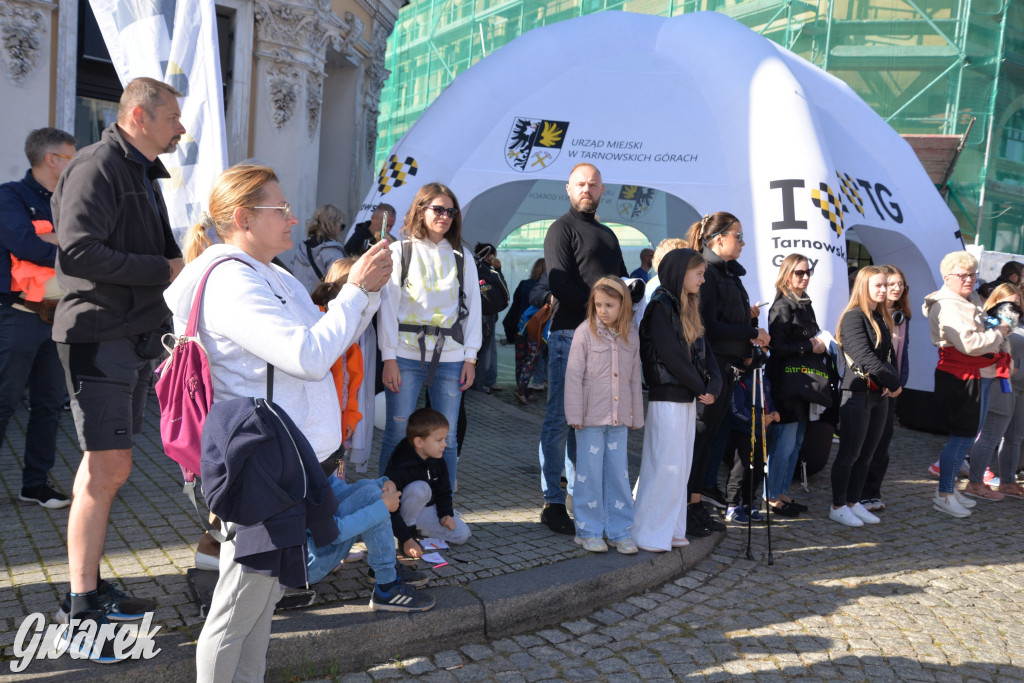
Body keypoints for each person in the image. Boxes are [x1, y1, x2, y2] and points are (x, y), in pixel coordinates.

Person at [167, 164, 429, 682]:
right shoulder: (231, 282)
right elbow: (307, 356)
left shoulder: (273, 273)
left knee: (260, 605)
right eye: (280, 209)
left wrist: (367, 292)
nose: (291, 218)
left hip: (287, 464)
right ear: (243, 218)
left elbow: (330, 340)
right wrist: (354, 291)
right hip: (263, 467)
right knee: (237, 608)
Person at [50, 78, 186, 657]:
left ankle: (89, 589)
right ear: (139, 116)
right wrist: (163, 269)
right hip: (99, 336)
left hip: (130, 338)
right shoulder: (97, 165)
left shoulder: (141, 171)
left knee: (108, 470)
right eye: (172, 117)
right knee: (106, 470)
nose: (181, 128)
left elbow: (163, 254)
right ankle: (81, 610)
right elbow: (78, 251)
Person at [539, 163, 627, 535]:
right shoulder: (561, 229)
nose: (586, 189)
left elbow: (621, 282)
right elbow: (559, 283)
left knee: (589, 423)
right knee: (560, 419)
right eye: (580, 184)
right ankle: (552, 501)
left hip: (605, 341)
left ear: (602, 189)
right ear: (568, 189)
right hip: (569, 336)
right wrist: (602, 311)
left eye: (593, 184)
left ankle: (583, 498)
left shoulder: (608, 234)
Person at [377, 182, 482, 492]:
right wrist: (388, 356)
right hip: (404, 354)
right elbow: (387, 308)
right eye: (438, 209)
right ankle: (387, 503)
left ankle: (442, 506)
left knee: (445, 440)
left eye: (451, 211)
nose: (445, 216)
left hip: (451, 357)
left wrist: (471, 357)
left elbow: (473, 309)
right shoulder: (400, 251)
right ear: (420, 210)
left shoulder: (462, 256)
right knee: (398, 433)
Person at [0, 127, 76, 509]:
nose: (77, 165)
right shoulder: (10, 196)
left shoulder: (71, 200)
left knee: (48, 406)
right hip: (19, 317)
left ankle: (34, 485)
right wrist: (65, 247)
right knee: (4, 401)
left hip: (58, 318)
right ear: (51, 160)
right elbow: (23, 244)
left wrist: (53, 241)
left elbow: (92, 244)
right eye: (72, 158)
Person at [683, 212, 770, 538]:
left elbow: (728, 319)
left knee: (708, 442)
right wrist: (752, 332)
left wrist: (749, 332)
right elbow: (710, 326)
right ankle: (686, 508)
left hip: (729, 369)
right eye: (738, 236)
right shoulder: (707, 273)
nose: (743, 242)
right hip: (712, 368)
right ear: (718, 239)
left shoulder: (729, 273)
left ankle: (696, 504)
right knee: (699, 440)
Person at [634, 249, 721, 551]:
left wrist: (714, 384)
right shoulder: (659, 306)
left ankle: (670, 528)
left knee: (680, 468)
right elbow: (670, 355)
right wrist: (701, 386)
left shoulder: (689, 304)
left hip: (685, 397)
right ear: (681, 272)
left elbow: (705, 351)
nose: (703, 279)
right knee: (664, 467)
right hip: (668, 397)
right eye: (699, 273)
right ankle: (648, 532)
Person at [924, 251, 1010, 518]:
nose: (969, 279)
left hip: (978, 374)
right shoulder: (949, 305)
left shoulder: (968, 299)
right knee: (961, 438)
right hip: (962, 377)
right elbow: (970, 344)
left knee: (968, 437)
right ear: (947, 277)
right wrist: (1000, 332)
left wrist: (995, 332)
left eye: (972, 274)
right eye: (962, 275)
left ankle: (949, 489)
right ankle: (944, 494)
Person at [563, 276, 643, 554]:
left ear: (623, 305)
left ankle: (620, 531)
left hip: (619, 419)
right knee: (589, 475)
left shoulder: (631, 334)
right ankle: (588, 530)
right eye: (598, 305)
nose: (603, 310)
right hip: (589, 419)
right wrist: (574, 414)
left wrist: (636, 415)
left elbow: (634, 378)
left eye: (610, 305)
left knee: (618, 475)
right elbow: (573, 376)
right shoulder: (584, 332)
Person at [829, 266, 902, 527]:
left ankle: (853, 501)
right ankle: (838, 505)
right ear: (864, 287)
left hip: (878, 394)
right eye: (878, 285)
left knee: (867, 454)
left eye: (885, 285)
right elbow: (864, 357)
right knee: (850, 453)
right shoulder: (854, 316)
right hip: (857, 392)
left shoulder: (879, 316)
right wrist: (893, 382)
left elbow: (888, 356)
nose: (884, 290)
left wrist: (891, 382)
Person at [763, 254, 824, 518]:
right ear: (787, 275)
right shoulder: (782, 306)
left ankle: (781, 492)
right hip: (785, 384)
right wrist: (809, 346)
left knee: (796, 443)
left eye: (808, 272)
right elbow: (776, 348)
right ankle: (771, 496)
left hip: (802, 382)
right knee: (783, 444)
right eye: (799, 272)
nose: (805, 276)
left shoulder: (805, 303)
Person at [963, 283, 1023, 501]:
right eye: (1008, 302)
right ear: (996, 301)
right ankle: (975, 482)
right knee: (991, 435)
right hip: (1001, 385)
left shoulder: (1016, 324)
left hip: (1019, 388)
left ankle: (1007, 482)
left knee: (1014, 437)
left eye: (1017, 302)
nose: (1013, 307)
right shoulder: (990, 323)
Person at [385, 407, 471, 559]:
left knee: (462, 534)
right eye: (439, 440)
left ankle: (418, 529)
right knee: (420, 488)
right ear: (419, 442)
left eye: (445, 439)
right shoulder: (400, 463)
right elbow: (391, 509)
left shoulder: (438, 459)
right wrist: (407, 539)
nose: (445, 444)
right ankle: (406, 532)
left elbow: (444, 492)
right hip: (401, 512)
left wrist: (446, 514)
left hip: (425, 510)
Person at [860, 265, 912, 511]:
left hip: (892, 389)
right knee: (866, 443)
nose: (896, 288)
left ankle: (873, 491)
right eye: (891, 284)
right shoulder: (870, 316)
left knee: (883, 444)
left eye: (901, 284)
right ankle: (857, 493)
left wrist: (898, 384)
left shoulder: (902, 318)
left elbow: (903, 356)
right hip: (872, 386)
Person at [722, 368, 777, 524]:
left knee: (757, 470)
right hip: (743, 432)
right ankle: (732, 505)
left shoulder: (765, 380)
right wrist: (758, 419)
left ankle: (748, 502)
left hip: (762, 433)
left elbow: (769, 402)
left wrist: (773, 412)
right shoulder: (741, 380)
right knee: (739, 470)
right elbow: (736, 409)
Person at [472, 242, 510, 393]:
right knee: (484, 351)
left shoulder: (474, 267)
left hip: (480, 313)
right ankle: (479, 384)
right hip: (486, 314)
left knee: (483, 349)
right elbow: (501, 288)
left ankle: (484, 380)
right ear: (489, 256)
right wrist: (498, 269)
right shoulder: (486, 271)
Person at [509, 258, 546, 404]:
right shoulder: (544, 288)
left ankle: (522, 388)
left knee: (520, 360)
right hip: (535, 328)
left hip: (521, 327)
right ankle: (521, 389)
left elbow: (515, 304)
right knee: (531, 360)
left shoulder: (524, 284)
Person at [291, 203, 348, 293]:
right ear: (332, 225)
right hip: (320, 300)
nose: (341, 230)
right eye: (341, 226)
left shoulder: (302, 248)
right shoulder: (333, 252)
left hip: (297, 298)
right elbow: (339, 285)